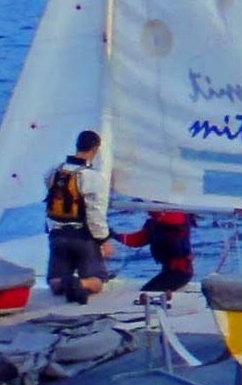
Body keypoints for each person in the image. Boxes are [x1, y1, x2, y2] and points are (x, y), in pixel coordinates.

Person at [44, 129, 115, 304]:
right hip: (82, 237)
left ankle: (63, 282)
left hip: (57, 234)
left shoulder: (54, 171)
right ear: (95, 149)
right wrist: (103, 241)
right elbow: (94, 213)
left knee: (54, 280)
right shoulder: (92, 177)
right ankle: (81, 283)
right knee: (97, 280)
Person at [113, 210, 197, 298]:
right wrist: (116, 236)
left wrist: (155, 210)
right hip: (168, 270)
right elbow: (138, 239)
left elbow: (173, 219)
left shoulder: (178, 216)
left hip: (181, 272)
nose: (148, 213)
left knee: (147, 292)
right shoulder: (154, 224)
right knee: (146, 291)